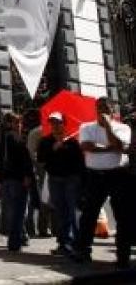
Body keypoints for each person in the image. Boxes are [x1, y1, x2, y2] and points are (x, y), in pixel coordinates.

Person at [72, 97, 132, 268]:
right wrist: (109, 148)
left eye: (105, 108)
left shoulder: (123, 128)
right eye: (98, 108)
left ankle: (123, 255)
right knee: (89, 214)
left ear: (112, 111)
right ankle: (83, 251)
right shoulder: (86, 127)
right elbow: (86, 146)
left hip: (118, 175)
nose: (101, 111)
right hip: (94, 175)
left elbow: (121, 146)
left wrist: (108, 127)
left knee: (122, 215)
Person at [37, 111, 84, 255]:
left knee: (73, 211)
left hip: (71, 180)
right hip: (55, 179)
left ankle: (77, 244)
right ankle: (63, 243)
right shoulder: (45, 141)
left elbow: (80, 163)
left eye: (58, 122)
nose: (55, 125)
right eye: (52, 122)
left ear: (64, 124)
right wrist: (53, 149)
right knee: (60, 212)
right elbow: (40, 159)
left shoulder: (72, 141)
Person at [0, 111, 34, 253]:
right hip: (17, 178)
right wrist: (28, 174)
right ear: (10, 123)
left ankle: (21, 237)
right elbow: (23, 158)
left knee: (12, 211)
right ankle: (15, 242)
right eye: (17, 122)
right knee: (19, 211)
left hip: (6, 179)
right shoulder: (14, 137)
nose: (20, 125)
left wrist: (0, 179)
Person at [24, 109, 51, 239]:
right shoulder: (39, 132)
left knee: (44, 199)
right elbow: (31, 153)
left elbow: (30, 153)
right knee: (43, 199)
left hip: (44, 169)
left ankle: (42, 228)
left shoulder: (37, 132)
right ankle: (42, 228)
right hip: (43, 170)